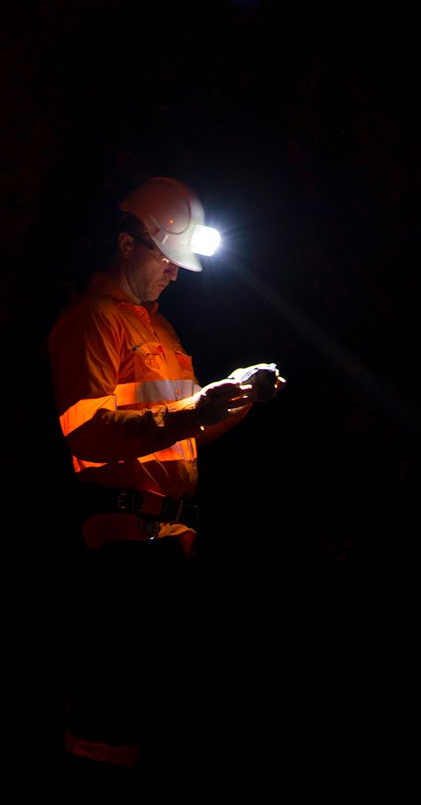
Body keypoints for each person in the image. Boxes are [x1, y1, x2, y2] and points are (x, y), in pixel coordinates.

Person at [43, 175, 284, 785]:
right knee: (110, 720)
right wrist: (196, 409)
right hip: (119, 549)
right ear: (127, 245)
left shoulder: (160, 331)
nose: (176, 274)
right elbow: (88, 433)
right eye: (167, 259)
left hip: (167, 545)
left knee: (157, 719)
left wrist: (235, 400)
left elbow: (180, 434)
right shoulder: (91, 321)